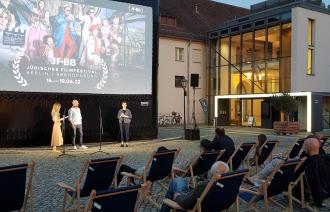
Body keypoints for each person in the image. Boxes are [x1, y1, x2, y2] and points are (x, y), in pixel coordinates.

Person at [160, 161, 229, 212]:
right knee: (180, 181)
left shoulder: (205, 185)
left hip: (192, 206)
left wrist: (177, 196)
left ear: (211, 172)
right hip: (208, 204)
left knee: (176, 181)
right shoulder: (228, 185)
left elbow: (186, 204)